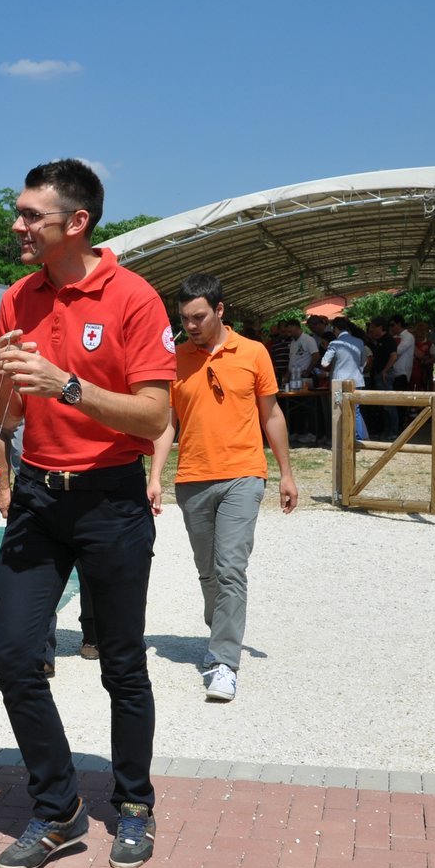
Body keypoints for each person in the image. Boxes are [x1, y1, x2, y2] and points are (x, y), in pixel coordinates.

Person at [0, 158, 172, 868]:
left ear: (77, 223)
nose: (19, 224)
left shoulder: (133, 298)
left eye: (32, 214)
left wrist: (67, 385)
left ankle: (132, 805)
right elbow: (5, 406)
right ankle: (58, 807)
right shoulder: (15, 299)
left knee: (121, 664)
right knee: (13, 655)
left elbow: (154, 412)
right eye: (20, 211)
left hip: (112, 498)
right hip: (38, 495)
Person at [148, 274, 297, 704]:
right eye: (184, 318)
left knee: (231, 567)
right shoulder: (175, 360)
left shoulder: (253, 353)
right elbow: (166, 423)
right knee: (208, 571)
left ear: (219, 310)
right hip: (192, 478)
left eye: (198, 316)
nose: (191, 325)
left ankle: (223, 663)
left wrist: (286, 473)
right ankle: (223, 629)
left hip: (243, 475)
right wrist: (155, 476)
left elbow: (271, 416)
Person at [0, 421, 97, 674]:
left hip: (86, 483)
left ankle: (94, 633)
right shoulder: (16, 382)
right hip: (30, 486)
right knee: (33, 573)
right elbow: (1, 432)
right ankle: (38, 648)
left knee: (91, 568)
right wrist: (4, 486)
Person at [320, 317, 368, 440]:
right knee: (355, 410)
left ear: (336, 328)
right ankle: (358, 439)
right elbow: (363, 362)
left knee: (338, 409)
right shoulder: (359, 341)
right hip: (357, 381)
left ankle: (340, 440)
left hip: (339, 383)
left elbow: (324, 363)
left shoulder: (334, 343)